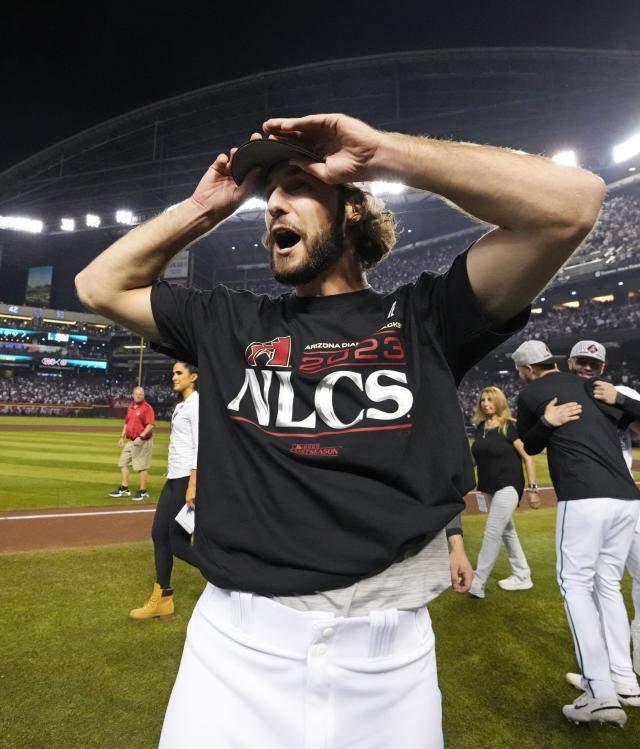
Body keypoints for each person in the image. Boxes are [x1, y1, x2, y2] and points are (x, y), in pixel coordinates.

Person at [75, 112, 604, 748]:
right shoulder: (227, 320)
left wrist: (383, 152)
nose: (273, 207)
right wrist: (204, 207)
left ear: (351, 209)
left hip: (388, 658)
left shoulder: (424, 317)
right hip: (235, 646)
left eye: (296, 186)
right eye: (267, 199)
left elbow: (573, 205)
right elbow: (97, 285)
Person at [513, 339, 640, 727]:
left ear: (526, 370)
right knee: (606, 587)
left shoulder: (532, 392)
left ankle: (599, 692)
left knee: (576, 586)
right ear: (560, 362)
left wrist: (547, 423)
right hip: (628, 500)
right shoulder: (595, 388)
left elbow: (529, 445)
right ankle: (621, 678)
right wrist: (620, 398)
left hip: (585, 500)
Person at [562, 340, 640, 685]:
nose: (587, 368)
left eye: (593, 364)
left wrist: (619, 399)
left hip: (624, 499)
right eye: (581, 362)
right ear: (569, 362)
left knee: (607, 583)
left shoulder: (617, 391)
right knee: (599, 586)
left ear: (603, 368)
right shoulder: (562, 392)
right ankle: (614, 673)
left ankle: (624, 670)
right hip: (599, 499)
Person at [130, 361, 200, 620]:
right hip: (174, 477)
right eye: (173, 373)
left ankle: (226, 576)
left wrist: (193, 484)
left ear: (194, 376)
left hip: (187, 479)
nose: (174, 377)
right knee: (159, 534)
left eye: (179, 373)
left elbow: (201, 446)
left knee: (178, 543)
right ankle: (163, 598)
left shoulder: (197, 405)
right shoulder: (181, 405)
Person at [468, 386, 539, 599]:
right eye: (483, 400)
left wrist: (532, 490)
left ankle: (478, 582)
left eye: (490, 400)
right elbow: (476, 457)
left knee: (492, 531)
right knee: (507, 531)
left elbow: (528, 458)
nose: (486, 404)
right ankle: (522, 575)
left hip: (509, 484)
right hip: (489, 486)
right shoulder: (480, 427)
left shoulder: (509, 426)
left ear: (498, 402)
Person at [109, 385, 155, 500]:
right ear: (133, 395)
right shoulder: (131, 407)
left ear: (143, 396)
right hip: (131, 441)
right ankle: (124, 489)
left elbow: (150, 425)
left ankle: (143, 491)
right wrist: (121, 436)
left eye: (141, 394)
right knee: (123, 462)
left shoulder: (147, 407)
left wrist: (141, 436)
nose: (139, 396)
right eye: (137, 394)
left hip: (143, 441)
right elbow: (126, 423)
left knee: (142, 466)